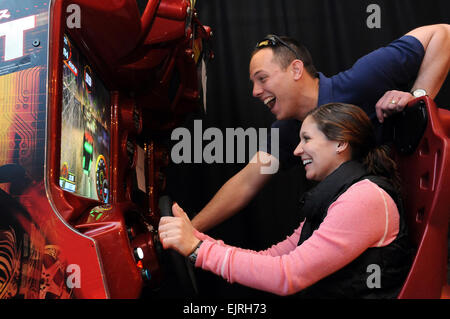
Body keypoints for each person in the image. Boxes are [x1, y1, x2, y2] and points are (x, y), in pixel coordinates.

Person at [190, 24, 450, 232]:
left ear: (295, 69)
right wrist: (191, 230)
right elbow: (246, 182)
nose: (255, 92)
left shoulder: (362, 80)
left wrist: (418, 99)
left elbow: (443, 33)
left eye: (262, 79)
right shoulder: (285, 131)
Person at [159, 103, 412, 298]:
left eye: (307, 139)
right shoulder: (338, 197)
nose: (296, 150)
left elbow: (287, 275)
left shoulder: (363, 198)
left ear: (340, 142)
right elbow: (272, 258)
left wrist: (196, 250)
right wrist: (197, 239)